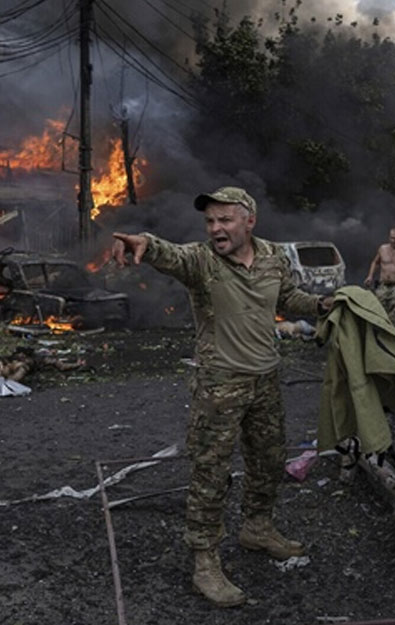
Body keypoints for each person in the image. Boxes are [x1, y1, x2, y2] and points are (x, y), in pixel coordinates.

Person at [111, 186, 331, 608]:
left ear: (250, 220)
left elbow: (288, 298)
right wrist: (144, 243)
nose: (215, 228)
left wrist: (322, 303)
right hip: (219, 384)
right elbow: (168, 254)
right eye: (210, 221)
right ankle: (205, 562)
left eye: (225, 219)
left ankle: (258, 528)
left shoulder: (273, 257)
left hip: (265, 380)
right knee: (211, 473)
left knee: (268, 461)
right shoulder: (201, 261)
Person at [0, 347, 83, 389]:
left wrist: (76, 364)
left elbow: (62, 366)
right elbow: (62, 366)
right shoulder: (36, 359)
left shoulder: (34, 361)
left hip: (1, 368)